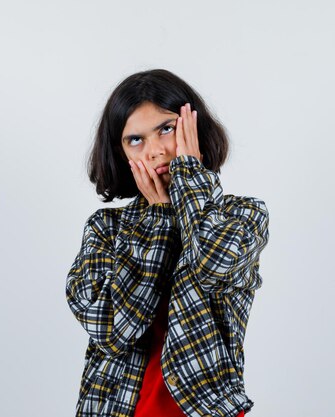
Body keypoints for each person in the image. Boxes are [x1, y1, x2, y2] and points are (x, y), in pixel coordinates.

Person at [65, 69, 270, 417]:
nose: (156, 151)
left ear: (194, 128)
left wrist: (189, 174)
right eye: (135, 140)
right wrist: (158, 220)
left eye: (166, 129)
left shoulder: (242, 215)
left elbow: (212, 264)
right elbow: (112, 330)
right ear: (121, 153)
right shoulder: (106, 229)